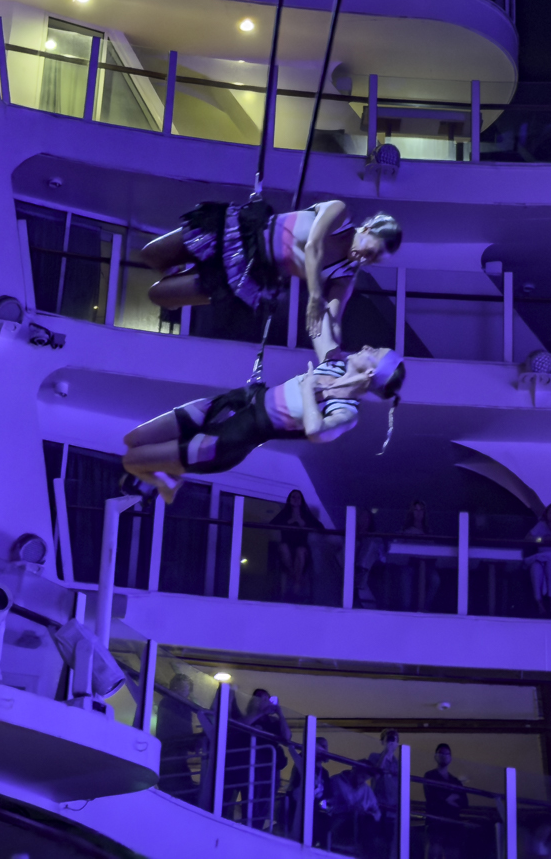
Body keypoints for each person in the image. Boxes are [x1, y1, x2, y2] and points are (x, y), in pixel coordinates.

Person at [121, 341, 406, 500]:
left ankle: (165, 482)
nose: (367, 346)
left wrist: (308, 389)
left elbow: (316, 432)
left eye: (374, 353)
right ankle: (165, 479)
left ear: (371, 374)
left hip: (229, 439)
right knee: (132, 440)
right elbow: (321, 311)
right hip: (231, 403)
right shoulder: (333, 363)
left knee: (131, 460)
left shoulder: (346, 411)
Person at [141, 199, 403, 345]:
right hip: (239, 234)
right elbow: (313, 246)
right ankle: (184, 267)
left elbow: (332, 320)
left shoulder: (345, 275)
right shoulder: (339, 213)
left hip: (246, 274)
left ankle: (184, 282)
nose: (365, 260)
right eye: (370, 251)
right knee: (151, 255)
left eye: (373, 261)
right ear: (366, 229)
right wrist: (315, 296)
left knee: (158, 295)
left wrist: (332, 357)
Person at [156, 673, 207, 805]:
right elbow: (175, 730)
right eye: (180, 688)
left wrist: (194, 742)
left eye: (185, 689)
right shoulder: (168, 703)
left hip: (178, 755)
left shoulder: (183, 706)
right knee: (179, 794)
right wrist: (196, 739)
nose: (183, 692)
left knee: (184, 793)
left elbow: (184, 730)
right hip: (170, 755)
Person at [245, 688, 291, 830]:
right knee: (252, 797)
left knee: (266, 800)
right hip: (253, 764)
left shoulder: (273, 721)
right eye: (261, 699)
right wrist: (260, 713)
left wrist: (280, 713)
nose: (265, 702)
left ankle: (257, 828)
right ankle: (249, 826)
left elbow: (287, 737)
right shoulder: (249, 717)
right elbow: (241, 726)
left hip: (271, 766)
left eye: (267, 699)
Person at [271, 489, 325, 601]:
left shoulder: (306, 515)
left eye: (298, 497)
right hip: (286, 549)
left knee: (300, 551)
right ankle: (296, 579)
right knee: (283, 547)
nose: (296, 499)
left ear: (301, 500)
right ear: (289, 500)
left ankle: (295, 585)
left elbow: (320, 527)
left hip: (303, 550)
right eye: (293, 497)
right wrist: (290, 521)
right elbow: (271, 524)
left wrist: (302, 522)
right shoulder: (284, 514)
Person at [422, 743, 469, 859]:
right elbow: (432, 795)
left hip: (452, 824)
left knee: (451, 853)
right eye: (441, 753)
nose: (443, 756)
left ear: (450, 758)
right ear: (435, 756)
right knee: (434, 852)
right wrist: (449, 798)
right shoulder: (430, 775)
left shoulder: (455, 781)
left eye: (446, 754)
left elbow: (464, 801)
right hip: (436, 822)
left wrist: (445, 799)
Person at [393, 500, 441, 612]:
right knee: (405, 577)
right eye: (416, 510)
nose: (418, 513)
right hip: (409, 565)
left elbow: (433, 550)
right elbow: (398, 549)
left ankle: (425, 608)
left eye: (421, 510)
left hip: (427, 566)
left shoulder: (429, 532)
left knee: (435, 579)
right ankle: (406, 610)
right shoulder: (405, 531)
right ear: (411, 512)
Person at [365, 728, 405, 858]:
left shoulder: (399, 764)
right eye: (389, 738)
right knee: (376, 839)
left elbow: (400, 787)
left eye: (394, 739)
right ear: (382, 741)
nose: (392, 741)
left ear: (398, 743)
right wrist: (387, 752)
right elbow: (376, 775)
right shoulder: (374, 757)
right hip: (378, 805)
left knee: (390, 842)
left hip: (392, 809)